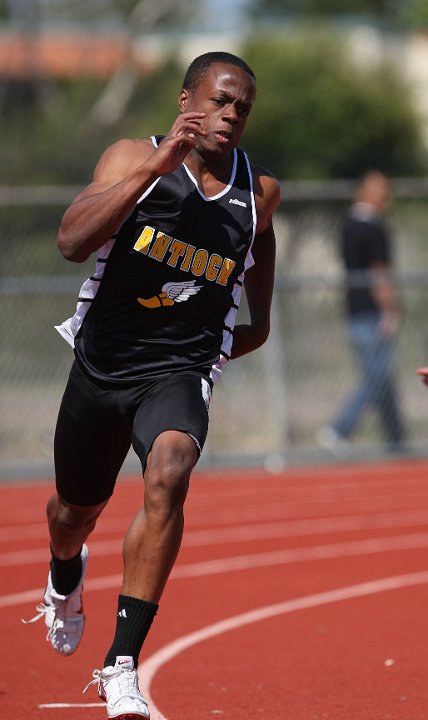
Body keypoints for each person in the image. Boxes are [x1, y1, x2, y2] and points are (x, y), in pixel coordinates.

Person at [24, 51, 280, 719]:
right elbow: (72, 242)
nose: (230, 117)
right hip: (102, 366)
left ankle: (121, 666)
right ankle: (64, 570)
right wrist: (152, 169)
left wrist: (221, 350)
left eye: (242, 109)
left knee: (170, 468)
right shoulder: (127, 159)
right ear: (186, 98)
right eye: (221, 102)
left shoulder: (258, 195)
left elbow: (258, 310)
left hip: (178, 372)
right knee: (71, 514)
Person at [318, 170, 406, 458]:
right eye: (383, 191)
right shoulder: (372, 228)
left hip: (355, 313)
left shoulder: (348, 225)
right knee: (376, 378)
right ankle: (340, 429)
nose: (387, 197)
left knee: (383, 378)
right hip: (371, 314)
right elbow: (378, 272)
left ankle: (397, 440)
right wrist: (390, 309)